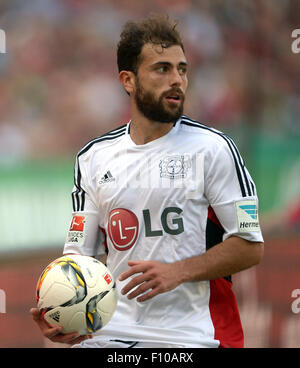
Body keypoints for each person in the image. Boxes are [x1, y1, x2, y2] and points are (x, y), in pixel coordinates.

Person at [30, 14, 264, 348]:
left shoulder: (214, 149)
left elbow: (251, 246)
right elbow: (80, 259)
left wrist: (178, 271)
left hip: (194, 336)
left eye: (182, 69)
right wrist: (62, 313)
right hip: (111, 335)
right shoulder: (92, 158)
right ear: (128, 80)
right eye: (162, 69)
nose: (177, 80)